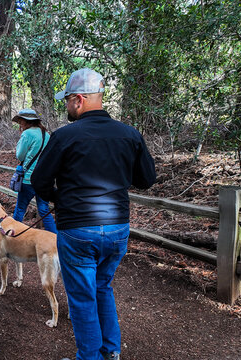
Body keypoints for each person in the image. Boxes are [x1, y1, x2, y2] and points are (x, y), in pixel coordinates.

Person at [31, 69, 156, 360]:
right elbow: (147, 179)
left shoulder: (64, 136)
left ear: (79, 99)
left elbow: (39, 181)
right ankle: (110, 352)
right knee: (102, 287)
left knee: (82, 298)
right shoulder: (129, 134)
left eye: (67, 101)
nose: (66, 107)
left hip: (78, 230)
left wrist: (58, 199)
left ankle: (89, 357)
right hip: (117, 229)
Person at [11, 108, 57, 234]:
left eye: (20, 121)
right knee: (43, 210)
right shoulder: (46, 134)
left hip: (29, 178)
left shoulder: (27, 134)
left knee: (20, 208)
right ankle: (54, 238)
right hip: (44, 180)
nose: (20, 124)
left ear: (26, 121)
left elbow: (20, 156)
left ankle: (14, 236)